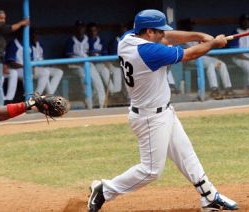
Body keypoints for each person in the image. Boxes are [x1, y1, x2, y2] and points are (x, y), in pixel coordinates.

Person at [87, 9, 238, 212]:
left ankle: (209, 196)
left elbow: (168, 36)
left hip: (163, 111)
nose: (163, 35)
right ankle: (104, 190)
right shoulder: (149, 52)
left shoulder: (127, 38)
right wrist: (212, 44)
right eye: (159, 31)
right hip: (150, 117)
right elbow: (189, 54)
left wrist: (199, 36)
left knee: (186, 154)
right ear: (149, 32)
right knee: (151, 171)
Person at [64, 20, 106, 108]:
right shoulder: (70, 40)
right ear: (75, 28)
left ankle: (101, 104)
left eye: (82, 27)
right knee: (85, 82)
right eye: (79, 27)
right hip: (75, 66)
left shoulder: (88, 39)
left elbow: (92, 53)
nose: (80, 29)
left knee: (98, 82)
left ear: (84, 29)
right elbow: (69, 56)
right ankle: (89, 105)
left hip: (88, 64)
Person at [87, 22, 123, 95]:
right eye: (91, 31)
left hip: (103, 62)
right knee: (105, 71)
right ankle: (113, 92)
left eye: (94, 30)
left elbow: (105, 53)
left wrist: (106, 61)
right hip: (94, 64)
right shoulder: (87, 41)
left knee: (116, 70)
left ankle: (117, 92)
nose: (93, 32)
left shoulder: (101, 40)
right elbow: (88, 54)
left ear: (97, 31)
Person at [31, 29, 64, 95]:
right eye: (33, 35)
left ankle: (49, 94)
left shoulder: (39, 45)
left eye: (36, 35)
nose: (35, 37)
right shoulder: (28, 46)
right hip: (33, 69)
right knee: (45, 72)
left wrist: (47, 65)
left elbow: (42, 59)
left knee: (59, 72)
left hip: (41, 68)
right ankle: (38, 96)